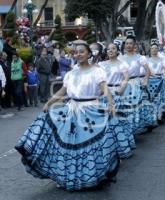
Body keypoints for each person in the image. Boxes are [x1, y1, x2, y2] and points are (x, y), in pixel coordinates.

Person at [15, 43, 128, 191]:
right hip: (71, 110)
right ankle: (67, 177)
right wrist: (49, 103)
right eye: (76, 52)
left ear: (89, 54)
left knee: (92, 147)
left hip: (91, 111)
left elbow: (104, 89)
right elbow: (63, 91)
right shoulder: (71, 73)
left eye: (82, 52)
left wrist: (111, 105)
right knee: (68, 148)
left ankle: (92, 176)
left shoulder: (97, 72)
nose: (78, 54)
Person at [99, 43, 135, 157]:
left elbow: (126, 77)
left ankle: (122, 145)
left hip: (116, 93)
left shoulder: (121, 64)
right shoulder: (101, 64)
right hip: (103, 94)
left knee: (118, 120)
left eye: (113, 48)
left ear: (117, 50)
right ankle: (107, 146)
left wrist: (121, 88)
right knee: (104, 122)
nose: (110, 51)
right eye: (108, 49)